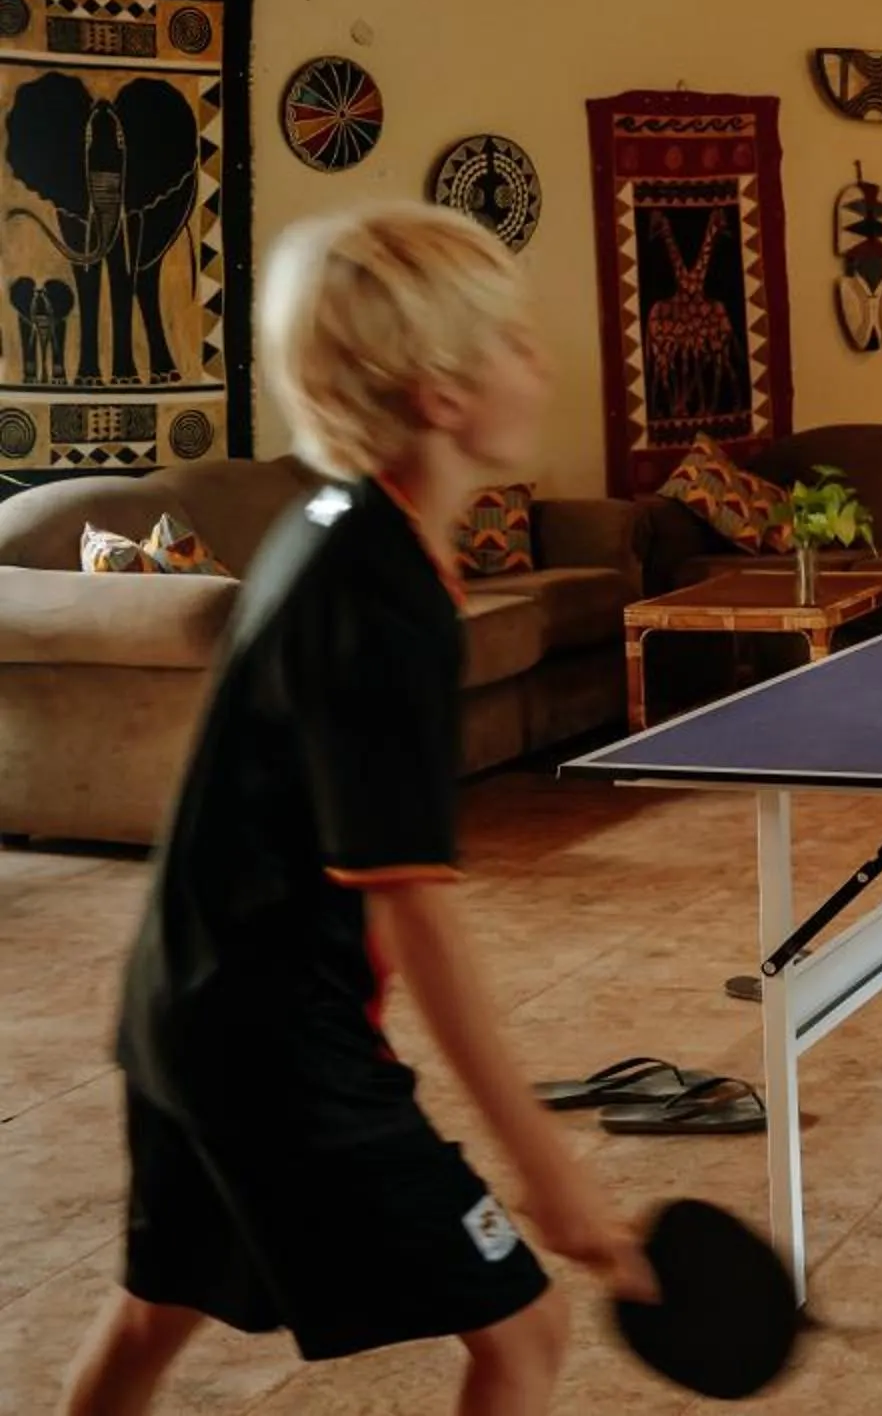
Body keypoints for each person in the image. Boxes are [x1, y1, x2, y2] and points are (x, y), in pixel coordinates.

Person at [61, 202, 653, 1416]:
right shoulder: (383, 599)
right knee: (526, 1326)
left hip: (182, 1005)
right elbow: (420, 918)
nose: (539, 364)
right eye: (515, 343)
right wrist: (544, 1169)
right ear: (439, 391)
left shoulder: (322, 529)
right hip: (277, 1049)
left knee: (155, 1307)